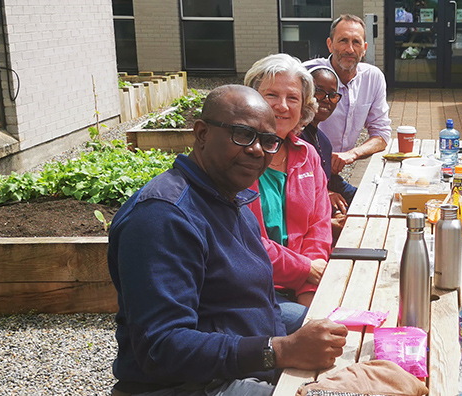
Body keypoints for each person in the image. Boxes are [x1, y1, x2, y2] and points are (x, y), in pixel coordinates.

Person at [107, 85, 347, 395]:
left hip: (246, 362)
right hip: (192, 385)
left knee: (352, 341)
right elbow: (161, 347)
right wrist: (279, 350)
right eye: (242, 135)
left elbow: (259, 300)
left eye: (268, 141)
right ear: (202, 133)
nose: (257, 150)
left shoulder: (232, 199)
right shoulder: (164, 217)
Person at [244, 54, 333, 334]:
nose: (282, 106)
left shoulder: (307, 155)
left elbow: (319, 228)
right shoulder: (237, 158)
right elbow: (246, 244)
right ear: (252, 99)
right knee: (334, 334)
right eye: (272, 95)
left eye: (293, 98)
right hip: (251, 291)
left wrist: (309, 289)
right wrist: (306, 270)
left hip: (301, 284)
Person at [304, 15, 391, 175]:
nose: (349, 49)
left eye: (356, 42)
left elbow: (382, 133)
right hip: (305, 169)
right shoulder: (308, 75)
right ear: (330, 44)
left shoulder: (373, 77)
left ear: (364, 48)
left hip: (334, 172)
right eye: (343, 40)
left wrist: (352, 153)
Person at [304, 65, 356, 240]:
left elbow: (333, 181)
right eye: (319, 92)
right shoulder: (296, 138)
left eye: (333, 95)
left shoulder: (323, 142)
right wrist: (326, 197)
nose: (326, 100)